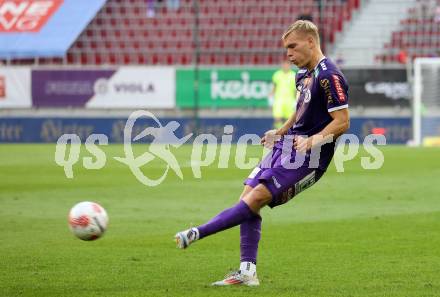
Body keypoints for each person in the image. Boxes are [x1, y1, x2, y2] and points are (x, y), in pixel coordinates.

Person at [174, 20, 350, 286]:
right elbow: (300, 110)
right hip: (288, 145)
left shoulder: (329, 75)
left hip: (310, 157)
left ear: (311, 42)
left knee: (255, 198)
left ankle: (197, 232)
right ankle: (247, 273)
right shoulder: (302, 75)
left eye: (293, 46)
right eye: (285, 48)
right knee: (247, 198)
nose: (288, 54)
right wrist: (280, 132)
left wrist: (313, 141)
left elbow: (342, 121)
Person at [269, 60, 298, 129]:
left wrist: (296, 100)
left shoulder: (293, 75)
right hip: (278, 99)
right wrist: (271, 95)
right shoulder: (277, 74)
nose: (285, 67)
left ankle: (287, 135)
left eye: (287, 65)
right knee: (277, 117)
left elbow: (296, 89)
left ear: (290, 66)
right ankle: (278, 132)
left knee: (289, 119)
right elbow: (274, 86)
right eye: (284, 65)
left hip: (290, 100)